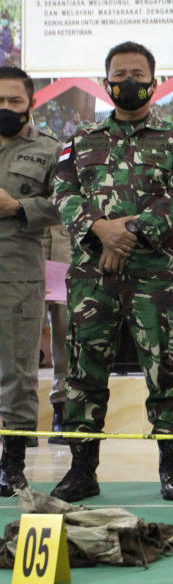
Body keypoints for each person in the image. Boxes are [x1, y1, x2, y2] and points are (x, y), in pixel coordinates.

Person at [53, 41, 173, 502]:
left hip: (153, 278)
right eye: (121, 73)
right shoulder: (79, 142)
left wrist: (126, 233)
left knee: (166, 369)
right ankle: (81, 469)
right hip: (92, 277)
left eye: (139, 74)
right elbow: (63, 191)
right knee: (84, 372)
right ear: (106, 82)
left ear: (154, 84)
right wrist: (100, 230)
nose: (129, 81)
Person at [0, 66, 62, 496]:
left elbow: (65, 203)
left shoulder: (49, 151)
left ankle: (13, 464)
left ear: (31, 104)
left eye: (14, 101)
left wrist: (18, 206)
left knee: (18, 372)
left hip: (17, 272)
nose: (6, 109)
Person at [41, 220, 71, 445]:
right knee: (21, 341)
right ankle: (20, 419)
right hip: (27, 247)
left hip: (68, 246)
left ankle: (62, 410)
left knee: (66, 335)